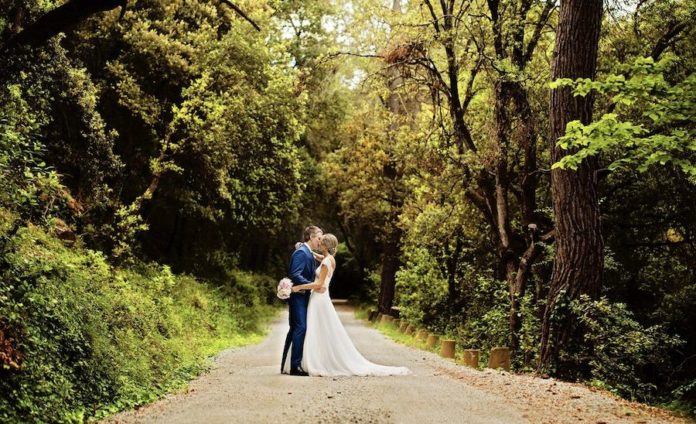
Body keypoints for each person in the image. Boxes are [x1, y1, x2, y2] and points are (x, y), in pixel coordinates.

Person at [293, 233, 410, 377]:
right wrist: (306, 250)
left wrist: (299, 287)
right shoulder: (330, 259)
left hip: (319, 299)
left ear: (325, 246)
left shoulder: (325, 262)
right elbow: (318, 258)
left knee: (317, 328)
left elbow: (319, 284)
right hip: (322, 298)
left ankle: (317, 361)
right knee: (320, 329)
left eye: (321, 242)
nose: (319, 244)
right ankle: (318, 359)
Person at [281, 225, 324, 376]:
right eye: (319, 238)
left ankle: (286, 364)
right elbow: (295, 274)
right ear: (311, 237)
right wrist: (310, 286)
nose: (321, 241)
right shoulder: (301, 252)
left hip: (303, 295)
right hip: (298, 296)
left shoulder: (308, 251)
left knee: (294, 328)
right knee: (300, 328)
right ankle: (295, 366)